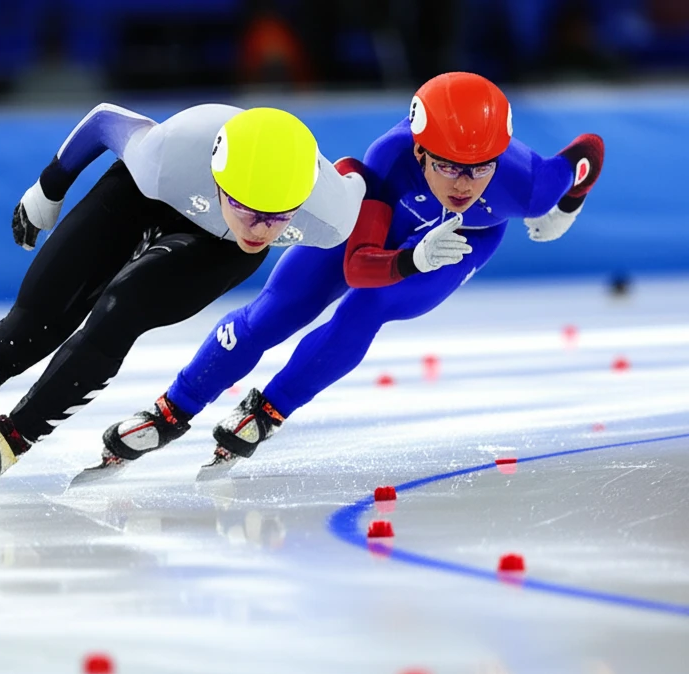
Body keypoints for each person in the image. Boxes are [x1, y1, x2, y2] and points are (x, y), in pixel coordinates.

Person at [0, 102, 367, 515]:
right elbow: (103, 121)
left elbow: (364, 200)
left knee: (119, 310)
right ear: (221, 178)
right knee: (26, 331)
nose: (262, 229)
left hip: (209, 251)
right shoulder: (168, 153)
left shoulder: (330, 214)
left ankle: (14, 437)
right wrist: (49, 188)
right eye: (249, 211)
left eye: (278, 218)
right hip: (141, 198)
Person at [101, 72, 605, 475]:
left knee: (370, 308)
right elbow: (359, 264)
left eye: (480, 167)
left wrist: (566, 205)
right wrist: (410, 258)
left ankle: (269, 411)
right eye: (449, 166)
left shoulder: (530, 185)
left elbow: (589, 150)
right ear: (420, 150)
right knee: (280, 309)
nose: (465, 184)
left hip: (462, 240)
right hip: (386, 229)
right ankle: (174, 408)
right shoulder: (389, 160)